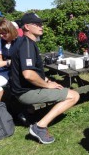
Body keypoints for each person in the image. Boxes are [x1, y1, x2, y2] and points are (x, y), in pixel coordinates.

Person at [9, 13, 80, 144]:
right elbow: (28, 74)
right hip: (25, 93)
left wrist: (46, 80)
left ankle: (27, 113)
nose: (41, 26)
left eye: (41, 23)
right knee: (74, 95)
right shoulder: (27, 45)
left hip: (21, 89)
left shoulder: (23, 41)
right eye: (37, 24)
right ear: (27, 26)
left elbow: (32, 71)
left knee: (58, 85)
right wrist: (47, 85)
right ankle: (39, 127)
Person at [0, 18, 21, 101]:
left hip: (17, 71)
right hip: (5, 69)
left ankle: (3, 106)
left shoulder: (21, 41)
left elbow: (22, 61)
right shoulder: (2, 41)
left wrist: (5, 63)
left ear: (10, 30)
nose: (1, 36)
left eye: (3, 33)